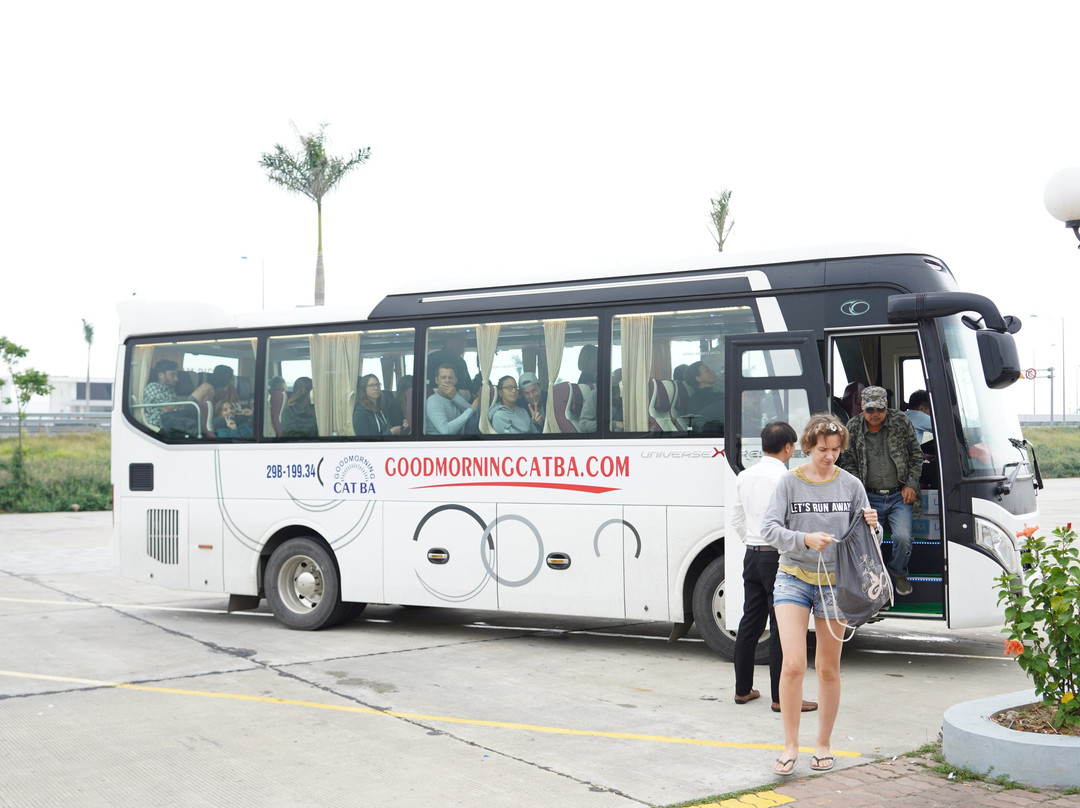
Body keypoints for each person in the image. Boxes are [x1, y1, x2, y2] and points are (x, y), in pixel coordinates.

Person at [761, 413, 879, 776]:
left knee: (828, 667)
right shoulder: (789, 483)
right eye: (823, 449)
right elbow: (768, 529)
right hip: (793, 577)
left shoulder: (852, 485)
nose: (830, 456)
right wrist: (804, 539)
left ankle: (823, 744)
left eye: (836, 449)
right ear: (808, 447)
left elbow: (864, 538)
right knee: (793, 663)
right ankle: (790, 745)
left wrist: (874, 525)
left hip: (835, 581)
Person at [731, 422, 817, 715]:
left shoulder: (744, 475)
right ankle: (781, 698)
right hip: (778, 559)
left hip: (751, 556)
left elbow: (736, 519)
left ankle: (742, 690)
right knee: (783, 628)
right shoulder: (788, 478)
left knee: (749, 624)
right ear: (789, 447)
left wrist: (752, 541)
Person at [839, 385, 923, 597]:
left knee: (903, 538)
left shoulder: (901, 422)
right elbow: (848, 464)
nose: (875, 414)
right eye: (870, 410)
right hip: (869, 496)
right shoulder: (853, 426)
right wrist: (859, 493)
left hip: (898, 495)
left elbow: (916, 455)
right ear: (862, 407)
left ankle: (897, 572)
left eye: (879, 409)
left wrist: (911, 484)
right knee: (866, 542)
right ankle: (873, 581)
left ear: (886, 406)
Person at [424, 363, 479, 435]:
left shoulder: (457, 395)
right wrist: (471, 410)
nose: (447, 381)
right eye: (443, 377)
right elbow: (446, 430)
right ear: (437, 380)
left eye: (450, 378)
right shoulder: (433, 401)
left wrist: (455, 397)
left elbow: (473, 413)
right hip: (440, 443)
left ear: (455, 380)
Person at [578, 368, 623, 433]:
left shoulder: (626, 399)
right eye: (616, 388)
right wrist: (615, 424)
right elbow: (583, 425)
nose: (618, 392)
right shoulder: (597, 395)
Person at [142, 359, 179, 428]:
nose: (176, 379)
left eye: (176, 375)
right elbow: (165, 409)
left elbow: (172, 409)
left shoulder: (170, 390)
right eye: (172, 375)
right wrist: (174, 408)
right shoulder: (153, 387)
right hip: (158, 425)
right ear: (161, 375)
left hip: (171, 422)